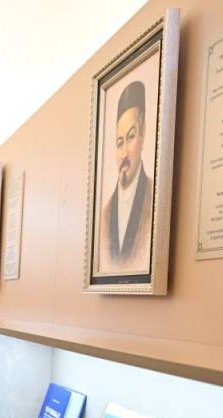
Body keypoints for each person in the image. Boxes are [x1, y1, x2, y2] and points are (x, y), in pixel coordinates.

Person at [98, 79, 153, 274]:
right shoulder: (105, 214)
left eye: (130, 137)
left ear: (143, 133)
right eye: (119, 143)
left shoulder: (153, 198)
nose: (124, 154)